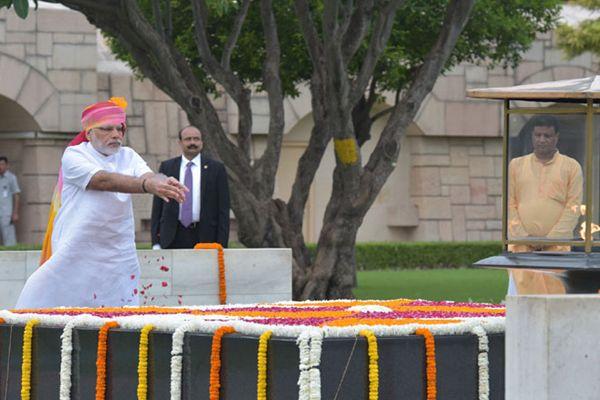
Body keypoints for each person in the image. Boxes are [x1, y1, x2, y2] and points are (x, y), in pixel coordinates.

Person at [15, 98, 187, 309]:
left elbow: (148, 175)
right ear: (89, 133)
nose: (116, 135)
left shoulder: (128, 155)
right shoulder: (75, 155)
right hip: (77, 247)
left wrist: (162, 181)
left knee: (120, 311)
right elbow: (102, 180)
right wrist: (147, 184)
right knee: (48, 302)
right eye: (107, 129)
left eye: (120, 129)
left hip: (117, 251)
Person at [507, 115, 583, 295]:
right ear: (532, 137)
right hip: (522, 247)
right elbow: (509, 204)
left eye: (547, 136)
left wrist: (551, 239)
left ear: (556, 137)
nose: (542, 140)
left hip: (556, 248)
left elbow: (573, 207)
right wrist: (524, 237)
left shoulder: (571, 167)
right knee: (522, 300)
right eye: (538, 135)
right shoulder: (516, 165)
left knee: (555, 299)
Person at [151, 125, 230, 249]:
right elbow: (158, 206)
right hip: (172, 235)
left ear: (202, 142)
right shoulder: (167, 167)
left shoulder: (216, 169)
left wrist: (222, 244)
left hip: (206, 235)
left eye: (196, 139)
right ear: (180, 142)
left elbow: (223, 209)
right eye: (188, 139)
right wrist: (156, 241)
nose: (192, 142)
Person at [0, 156, 20, 246]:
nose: (0, 166)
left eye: (2, 164)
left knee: (9, 240)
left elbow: (16, 195)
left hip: (6, 213)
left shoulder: (11, 178)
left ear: (7, 165)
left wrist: (15, 213)